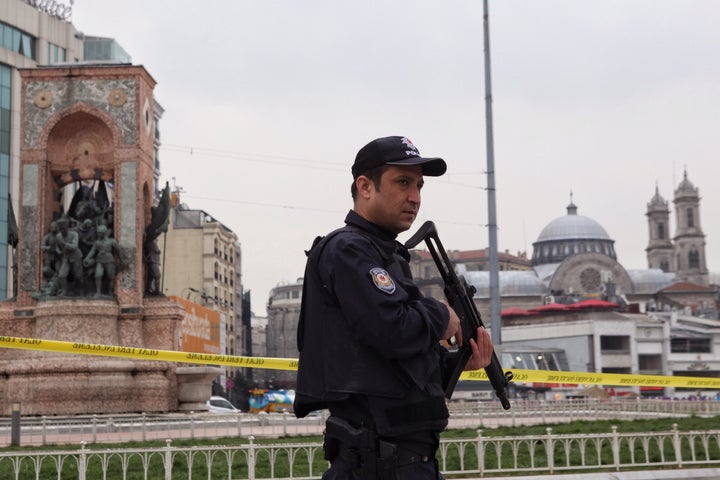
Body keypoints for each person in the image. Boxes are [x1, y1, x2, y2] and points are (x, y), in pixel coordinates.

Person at [294, 136, 495, 480]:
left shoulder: (385, 255)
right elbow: (391, 329)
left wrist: (459, 361)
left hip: (405, 458)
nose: (415, 197)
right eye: (402, 182)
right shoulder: (349, 250)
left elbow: (393, 367)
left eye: (418, 185)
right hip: (377, 461)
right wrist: (441, 314)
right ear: (365, 186)